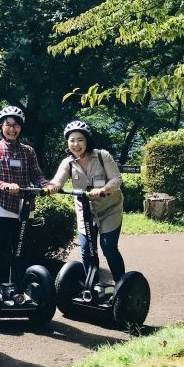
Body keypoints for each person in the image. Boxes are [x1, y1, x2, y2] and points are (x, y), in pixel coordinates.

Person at [0, 106, 54, 294]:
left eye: (16, 125)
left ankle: (18, 288)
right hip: (0, 205)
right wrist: (4, 185)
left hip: (23, 206)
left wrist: (47, 185)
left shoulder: (28, 151)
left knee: (20, 250)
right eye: (8, 125)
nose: (12, 129)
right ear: (1, 126)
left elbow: (36, 174)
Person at [47, 120, 125, 282]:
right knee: (86, 249)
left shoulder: (103, 156)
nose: (76, 144)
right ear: (68, 143)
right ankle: (92, 285)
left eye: (80, 140)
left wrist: (104, 189)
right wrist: (52, 187)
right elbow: (57, 181)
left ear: (87, 141)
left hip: (110, 209)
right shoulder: (68, 162)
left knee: (108, 247)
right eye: (72, 140)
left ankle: (121, 285)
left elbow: (117, 180)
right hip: (85, 211)